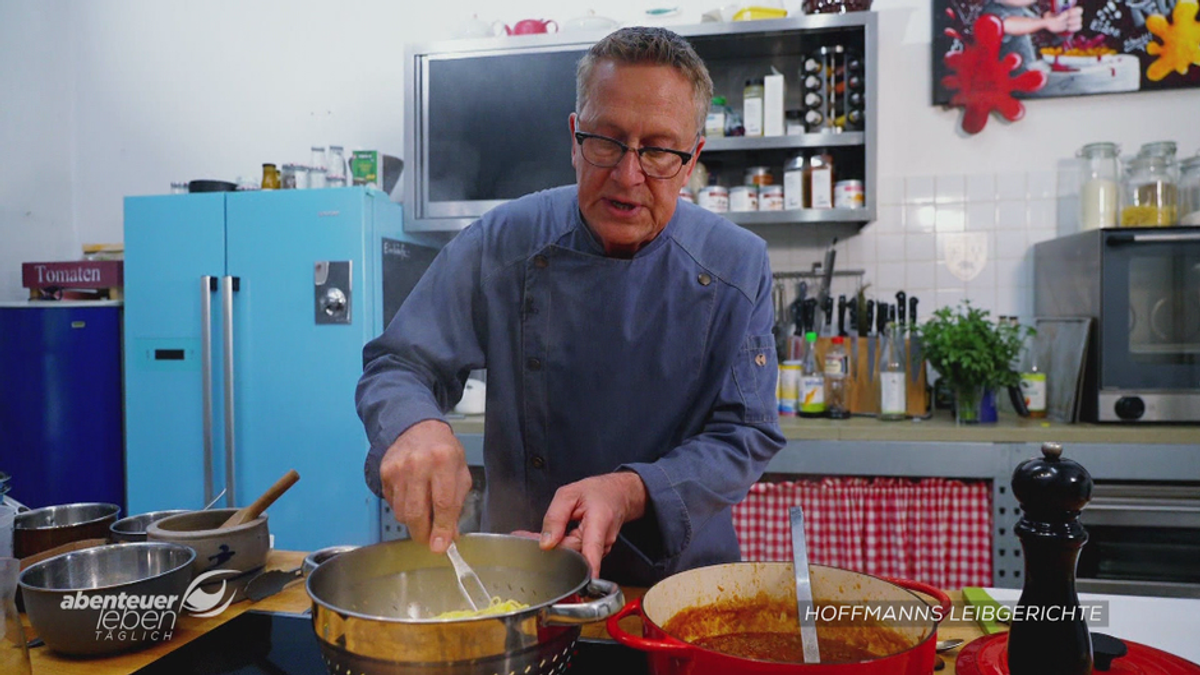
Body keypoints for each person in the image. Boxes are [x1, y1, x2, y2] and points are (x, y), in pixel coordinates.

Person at [357, 26, 785, 587]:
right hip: (523, 574)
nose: (628, 177)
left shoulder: (738, 264)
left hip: (681, 589)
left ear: (692, 158)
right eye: (606, 141)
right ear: (574, 137)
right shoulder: (504, 240)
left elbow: (745, 434)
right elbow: (401, 363)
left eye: (658, 150)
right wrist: (414, 424)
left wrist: (630, 490)